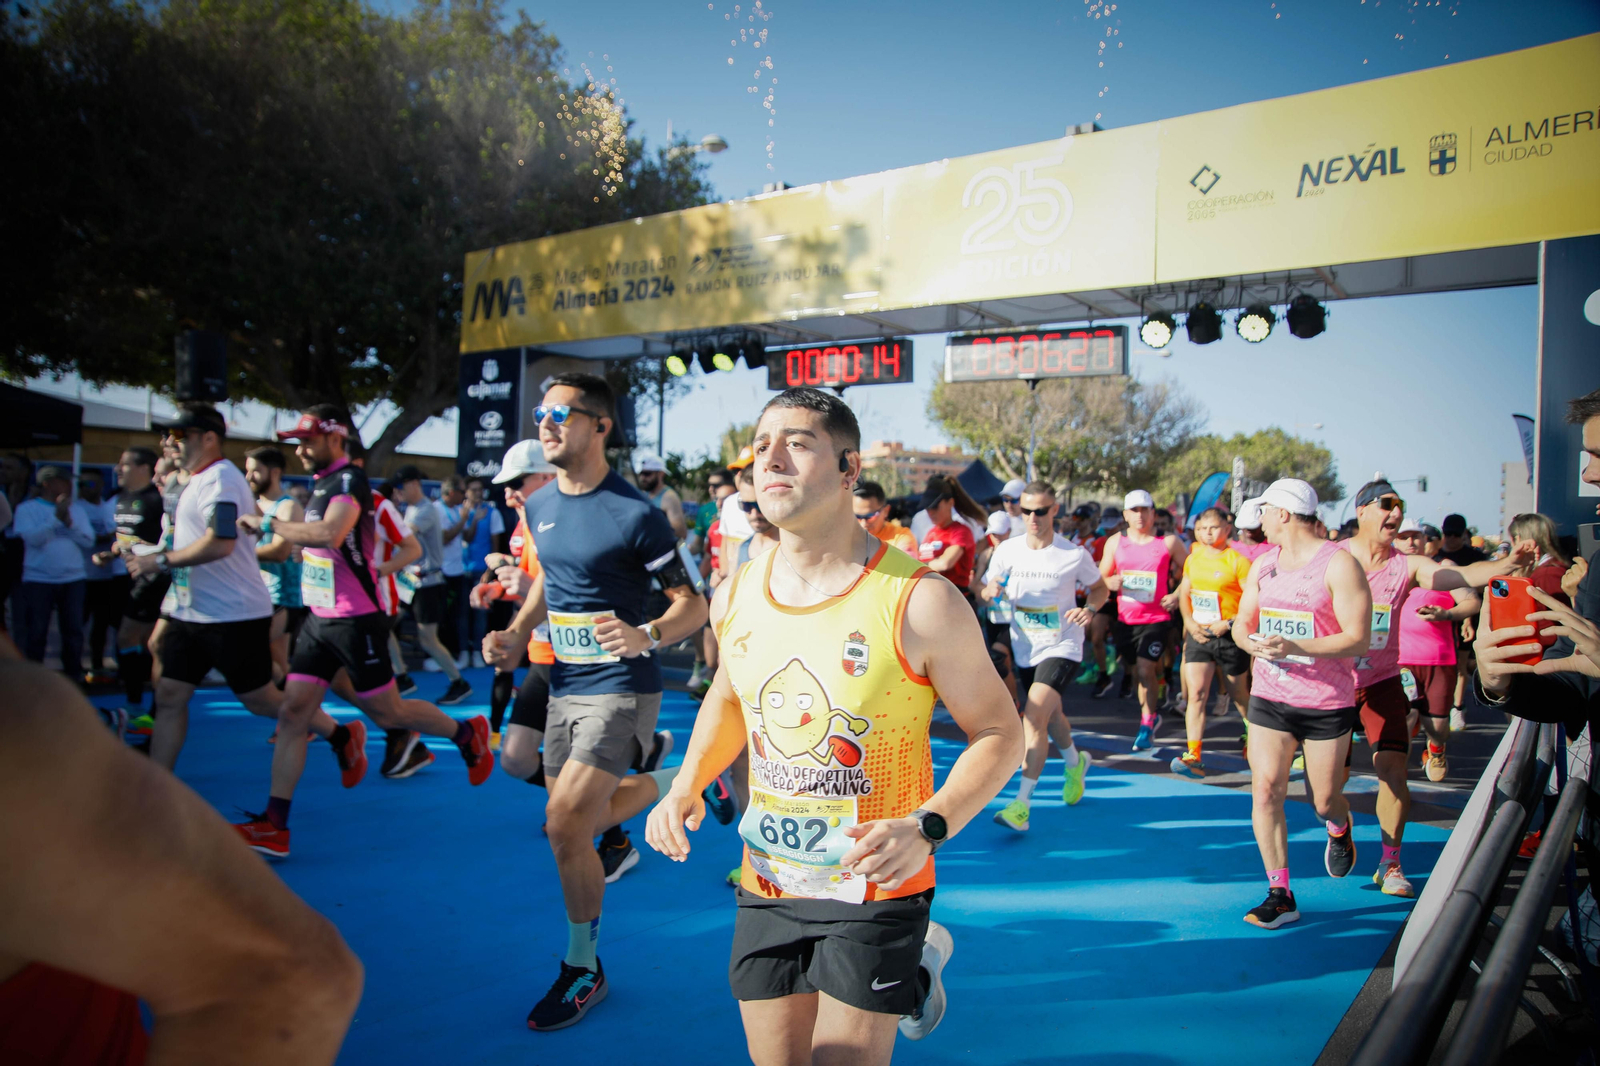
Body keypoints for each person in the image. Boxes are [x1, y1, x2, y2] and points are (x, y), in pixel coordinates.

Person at [645, 386, 1023, 1063]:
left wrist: (928, 826)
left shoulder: (920, 600)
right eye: (762, 446)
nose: (771, 459)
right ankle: (916, 969)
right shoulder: (734, 594)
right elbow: (730, 697)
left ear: (850, 469)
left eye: (797, 444)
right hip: (769, 880)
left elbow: (1001, 733)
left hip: (876, 884)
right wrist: (686, 783)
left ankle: (910, 958)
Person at [0, 649, 363, 1064]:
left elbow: (293, 974)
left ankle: (361, 741)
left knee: (293, 701)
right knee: (172, 690)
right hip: (192, 618)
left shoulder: (17, 724)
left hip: (236, 618)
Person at [480, 373, 707, 1031]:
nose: (545, 424)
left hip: (623, 687)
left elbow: (693, 604)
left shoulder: (635, 514)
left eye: (560, 413)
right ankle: (691, 777)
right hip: (565, 684)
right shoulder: (540, 505)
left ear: (600, 425)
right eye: (540, 413)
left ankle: (582, 967)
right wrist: (516, 632)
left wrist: (648, 634)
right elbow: (549, 578)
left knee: (562, 823)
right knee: (580, 823)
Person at [231, 406, 493, 857]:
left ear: (335, 438)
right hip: (319, 618)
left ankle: (466, 733)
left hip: (355, 619)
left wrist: (271, 524)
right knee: (293, 714)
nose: (300, 450)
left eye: (308, 441)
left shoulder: (350, 481)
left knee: (389, 714)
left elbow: (332, 534)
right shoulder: (320, 485)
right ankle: (275, 823)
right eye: (298, 443)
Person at [1340, 479, 1529, 897]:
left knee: (1393, 770)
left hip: (1383, 681)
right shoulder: (1333, 557)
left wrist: (1507, 563)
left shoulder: (1407, 566)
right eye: (1386, 504)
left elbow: (1461, 576)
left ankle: (1390, 863)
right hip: (1334, 685)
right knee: (1329, 789)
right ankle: (1338, 826)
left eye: (1400, 506)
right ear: (1362, 510)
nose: (1395, 513)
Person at [1230, 479, 1371, 929]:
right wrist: (1251, 644)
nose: (1260, 521)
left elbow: (1358, 638)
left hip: (1325, 702)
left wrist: (1295, 646)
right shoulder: (1263, 564)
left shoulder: (1340, 564)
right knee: (1266, 789)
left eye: (1265, 511)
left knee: (1324, 800)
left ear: (1284, 514)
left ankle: (1339, 826)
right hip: (1270, 697)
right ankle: (1280, 893)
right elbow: (1242, 622)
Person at [118, 408, 288, 772]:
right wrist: (144, 552)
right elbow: (182, 540)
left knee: (260, 700)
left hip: (233, 614)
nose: (169, 442)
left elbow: (220, 543)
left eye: (179, 435)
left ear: (209, 438)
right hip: (190, 611)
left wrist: (160, 562)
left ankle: (338, 733)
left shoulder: (221, 479)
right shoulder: (191, 482)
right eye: (167, 436)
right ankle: (158, 783)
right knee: (169, 695)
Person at [982, 480, 1107, 831]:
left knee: (1034, 715)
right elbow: (986, 587)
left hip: (1063, 644)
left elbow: (1099, 589)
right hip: (1026, 646)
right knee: (1052, 717)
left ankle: (1021, 805)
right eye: (1026, 511)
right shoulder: (1007, 550)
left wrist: (1089, 609)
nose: (1033, 518)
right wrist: (989, 590)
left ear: (1054, 510)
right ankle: (1075, 763)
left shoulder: (1072, 554)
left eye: (1040, 511)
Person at [477, 440, 557, 751]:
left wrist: (528, 587)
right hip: (542, 643)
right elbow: (525, 577)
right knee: (518, 757)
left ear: (546, 478)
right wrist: (497, 589)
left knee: (574, 758)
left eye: (516, 482)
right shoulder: (525, 525)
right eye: (505, 485)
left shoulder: (564, 521)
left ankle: (649, 750)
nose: (509, 493)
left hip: (577, 653)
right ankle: (493, 732)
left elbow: (585, 589)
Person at [1099, 489, 1188, 749]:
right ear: (1126, 515)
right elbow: (1101, 577)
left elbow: (1193, 572)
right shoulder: (1115, 542)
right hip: (1126, 620)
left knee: (1144, 667)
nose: (1140, 515)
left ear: (1153, 513)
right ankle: (1153, 705)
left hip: (1157, 618)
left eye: (1144, 510)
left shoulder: (1168, 542)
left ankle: (1147, 723)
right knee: (1138, 670)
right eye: (1134, 510)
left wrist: (1176, 595)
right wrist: (1109, 582)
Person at [1393, 519, 1478, 783]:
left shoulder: (1443, 569)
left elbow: (1472, 601)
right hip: (1398, 661)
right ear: (1394, 540)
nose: (1410, 542)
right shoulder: (1386, 570)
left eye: (1416, 537)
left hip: (1439, 659)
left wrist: (1448, 614)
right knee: (1404, 719)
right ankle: (1396, 775)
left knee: (1438, 727)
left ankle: (1435, 749)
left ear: (1427, 541)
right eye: (1403, 537)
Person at [1172, 507, 1254, 779]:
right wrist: (1189, 622)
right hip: (1200, 635)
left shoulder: (1238, 561)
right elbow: (1185, 594)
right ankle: (1193, 755)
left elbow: (1252, 602)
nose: (1207, 533)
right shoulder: (1193, 559)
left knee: (1239, 694)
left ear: (1227, 530)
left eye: (1213, 528)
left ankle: (1252, 734)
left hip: (1229, 636)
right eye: (1202, 528)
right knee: (1195, 694)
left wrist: (1228, 623)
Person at [393, 466, 472, 705]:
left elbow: (403, 538)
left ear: (414, 484)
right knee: (384, 624)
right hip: (409, 580)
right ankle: (401, 676)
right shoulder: (411, 508)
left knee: (428, 638)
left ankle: (458, 682)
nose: (398, 493)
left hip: (428, 582)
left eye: (401, 487)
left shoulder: (426, 510)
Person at [98, 447, 167, 716]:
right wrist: (112, 553)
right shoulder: (121, 499)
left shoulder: (157, 500)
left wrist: (150, 555)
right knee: (146, 641)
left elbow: (170, 541)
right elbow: (125, 539)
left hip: (155, 578)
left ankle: (142, 705)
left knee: (131, 637)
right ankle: (143, 705)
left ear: (144, 468)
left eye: (124, 464)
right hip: (128, 576)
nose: (118, 469)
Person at [11, 465, 94, 676]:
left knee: (73, 631)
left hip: (73, 579)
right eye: (64, 481)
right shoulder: (27, 509)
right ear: (47, 484)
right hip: (38, 579)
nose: (69, 485)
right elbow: (33, 539)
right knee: (36, 631)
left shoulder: (76, 509)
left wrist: (69, 524)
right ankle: (34, 677)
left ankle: (73, 676)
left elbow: (88, 541)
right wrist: (55, 519)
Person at [245, 446, 307, 688]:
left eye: (255, 471)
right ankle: (296, 709)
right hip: (255, 591)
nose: (249, 477)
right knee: (278, 666)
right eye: (247, 471)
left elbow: (280, 552)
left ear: (274, 472)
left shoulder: (287, 507)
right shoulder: (251, 505)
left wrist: (237, 557)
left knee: (246, 648)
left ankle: (295, 707)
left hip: (280, 596)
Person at [78, 471, 123, 685]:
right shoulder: (77, 508)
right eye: (83, 484)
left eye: (92, 483)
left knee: (103, 625)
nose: (88, 487)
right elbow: (89, 539)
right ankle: (76, 666)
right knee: (78, 623)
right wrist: (116, 535)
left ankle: (98, 665)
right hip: (83, 576)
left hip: (107, 577)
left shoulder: (108, 506)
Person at [459, 476, 505, 667]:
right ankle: (463, 653)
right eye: (473, 490)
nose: (478, 493)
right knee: (462, 614)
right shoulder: (460, 512)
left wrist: (489, 571)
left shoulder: (493, 513)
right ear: (466, 493)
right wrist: (473, 520)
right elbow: (466, 538)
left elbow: (495, 545)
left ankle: (478, 652)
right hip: (461, 571)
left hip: (481, 572)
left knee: (480, 614)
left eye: (480, 490)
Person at [917, 476, 983, 605]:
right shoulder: (931, 533)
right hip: (932, 598)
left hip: (955, 600)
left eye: (935, 507)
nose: (930, 512)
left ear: (950, 503)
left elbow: (945, 563)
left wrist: (918, 567)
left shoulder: (960, 531)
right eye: (927, 508)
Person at [434, 476, 469, 664]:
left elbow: (468, 537)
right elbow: (445, 538)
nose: (465, 496)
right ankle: (440, 657)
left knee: (457, 615)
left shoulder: (457, 510)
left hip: (458, 571)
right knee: (443, 616)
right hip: (442, 572)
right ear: (452, 492)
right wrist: (463, 520)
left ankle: (454, 654)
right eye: (463, 492)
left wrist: (473, 520)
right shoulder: (436, 510)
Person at [851, 480, 918, 554]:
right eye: (857, 516)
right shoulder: (845, 536)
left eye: (870, 516)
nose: (863, 523)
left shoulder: (901, 538)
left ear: (886, 511)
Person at [635, 450, 688, 541]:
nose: (642, 478)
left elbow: (681, 533)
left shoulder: (669, 497)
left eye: (647, 474)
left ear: (661, 474)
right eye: (641, 473)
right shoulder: (643, 494)